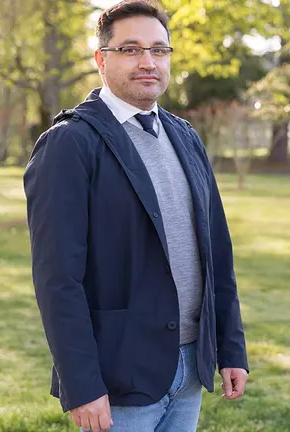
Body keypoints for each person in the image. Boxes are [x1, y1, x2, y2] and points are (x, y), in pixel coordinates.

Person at [23, 1, 248, 431]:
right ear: (100, 60)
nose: (148, 62)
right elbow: (58, 280)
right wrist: (82, 385)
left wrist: (231, 348)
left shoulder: (185, 137)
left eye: (159, 50)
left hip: (189, 369)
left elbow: (217, 251)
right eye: (131, 49)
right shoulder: (70, 144)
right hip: (119, 376)